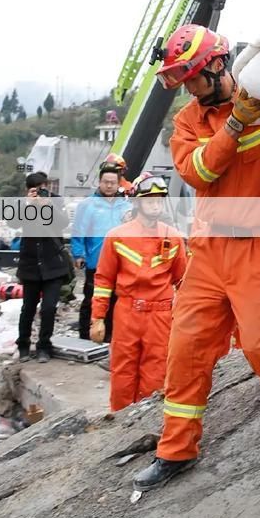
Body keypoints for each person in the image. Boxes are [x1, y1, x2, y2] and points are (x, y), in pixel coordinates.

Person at [132, 23, 260, 492]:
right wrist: (237, 125)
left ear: (218, 65)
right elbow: (199, 172)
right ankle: (175, 450)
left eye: (192, 77)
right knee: (186, 349)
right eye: (180, 80)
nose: (187, 87)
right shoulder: (188, 122)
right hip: (208, 250)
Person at [90, 174, 187, 411]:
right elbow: (104, 280)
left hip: (161, 315)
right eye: (149, 200)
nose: (155, 204)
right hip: (127, 312)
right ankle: (120, 427)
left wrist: (188, 319)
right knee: (123, 372)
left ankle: (146, 425)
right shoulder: (117, 236)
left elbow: (183, 282)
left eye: (158, 200)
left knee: (156, 373)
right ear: (137, 202)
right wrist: (98, 318)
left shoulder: (173, 238)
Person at [15, 172, 72, 362]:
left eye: (43, 188)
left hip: (53, 265)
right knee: (28, 307)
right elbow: (13, 223)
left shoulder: (55, 201)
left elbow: (63, 223)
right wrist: (27, 204)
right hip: (31, 265)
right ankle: (23, 345)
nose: (41, 192)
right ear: (28, 190)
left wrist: (48, 207)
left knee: (48, 308)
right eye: (36, 189)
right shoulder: (25, 203)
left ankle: (44, 347)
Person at [71, 162, 130, 340]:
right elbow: (78, 231)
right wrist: (79, 254)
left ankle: (109, 336)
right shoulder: (87, 205)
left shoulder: (126, 206)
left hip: (120, 263)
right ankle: (84, 335)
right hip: (95, 261)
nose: (109, 185)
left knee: (115, 300)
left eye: (113, 182)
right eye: (106, 181)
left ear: (119, 183)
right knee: (91, 300)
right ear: (100, 182)